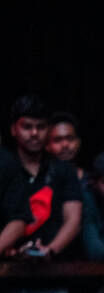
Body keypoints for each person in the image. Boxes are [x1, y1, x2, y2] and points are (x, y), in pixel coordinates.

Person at [8, 95, 82, 259]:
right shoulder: (5, 167)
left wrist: (49, 250)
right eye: (27, 127)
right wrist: (8, 251)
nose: (34, 133)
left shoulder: (63, 170)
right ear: (14, 129)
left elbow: (73, 219)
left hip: (54, 267)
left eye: (40, 127)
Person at [46, 111, 83, 179]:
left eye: (70, 138)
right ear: (47, 146)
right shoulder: (40, 180)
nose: (65, 145)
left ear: (79, 142)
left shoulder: (91, 183)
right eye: (57, 140)